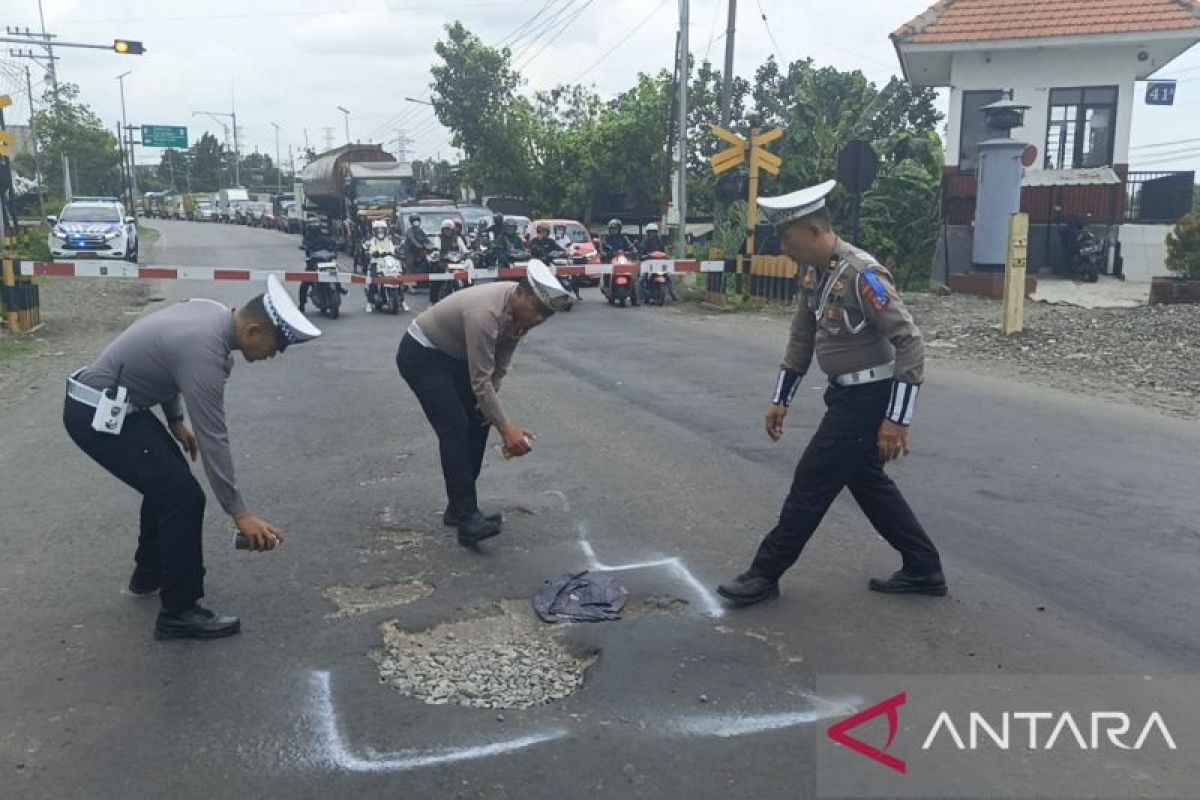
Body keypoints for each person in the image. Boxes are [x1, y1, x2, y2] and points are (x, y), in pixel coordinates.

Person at [716, 180, 946, 606]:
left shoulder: (861, 275)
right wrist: (780, 399)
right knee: (867, 482)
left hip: (868, 398)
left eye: (787, 237)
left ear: (815, 231)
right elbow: (801, 340)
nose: (783, 246)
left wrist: (897, 419)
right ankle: (923, 566)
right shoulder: (813, 275)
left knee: (812, 480)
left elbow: (910, 342)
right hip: (844, 397)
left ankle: (764, 573)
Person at [63, 276, 321, 640]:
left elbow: (165, 364)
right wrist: (240, 514)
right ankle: (179, 612)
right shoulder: (205, 353)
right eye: (276, 345)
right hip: (97, 416)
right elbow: (215, 439)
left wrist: (174, 421)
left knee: (170, 481)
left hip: (117, 408)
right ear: (253, 330)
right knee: (182, 496)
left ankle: (149, 574)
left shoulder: (211, 313)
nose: (274, 355)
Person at [396, 260, 571, 547]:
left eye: (546, 316)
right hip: (423, 355)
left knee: (478, 422)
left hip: (455, 358)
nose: (539, 319)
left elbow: (498, 367)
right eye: (538, 310)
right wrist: (506, 428)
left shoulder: (520, 316)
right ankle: (467, 519)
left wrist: (491, 414)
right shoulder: (484, 313)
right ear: (522, 294)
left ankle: (459, 507)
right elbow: (480, 379)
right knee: (454, 428)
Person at [364, 218, 408, 312]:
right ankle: (369, 302)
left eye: (382, 229)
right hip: (376, 262)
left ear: (386, 230)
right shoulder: (372, 241)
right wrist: (372, 252)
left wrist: (394, 253)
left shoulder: (389, 240)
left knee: (399, 278)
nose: (380, 231)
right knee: (373, 281)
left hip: (389, 262)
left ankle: (403, 301)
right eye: (378, 229)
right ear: (374, 231)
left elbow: (393, 249)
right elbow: (370, 249)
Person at [300, 222, 339, 313]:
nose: (315, 230)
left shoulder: (324, 237)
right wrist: (306, 249)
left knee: (336, 275)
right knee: (305, 283)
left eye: (316, 228)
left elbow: (332, 244)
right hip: (313, 264)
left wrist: (334, 250)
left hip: (326, 263)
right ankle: (302, 304)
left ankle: (340, 289)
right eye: (313, 228)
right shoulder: (307, 238)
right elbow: (304, 246)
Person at [637, 223, 677, 302]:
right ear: (648, 233)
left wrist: (667, 256)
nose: (652, 234)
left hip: (659, 264)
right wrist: (644, 256)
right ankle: (639, 297)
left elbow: (664, 252)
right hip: (648, 265)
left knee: (669, 276)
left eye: (654, 232)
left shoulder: (660, 241)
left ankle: (673, 294)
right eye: (651, 232)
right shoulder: (644, 242)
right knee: (642, 279)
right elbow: (641, 253)